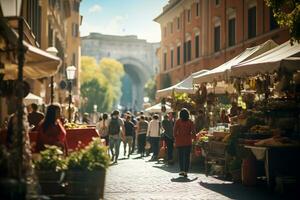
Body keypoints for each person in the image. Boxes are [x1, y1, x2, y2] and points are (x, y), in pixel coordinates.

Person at [173, 108, 195, 177]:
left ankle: (181, 170)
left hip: (179, 141)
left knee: (181, 156)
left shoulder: (178, 121)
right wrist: (194, 138)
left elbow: (174, 131)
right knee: (187, 157)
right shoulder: (190, 122)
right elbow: (193, 132)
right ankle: (186, 171)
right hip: (188, 141)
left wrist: (176, 137)